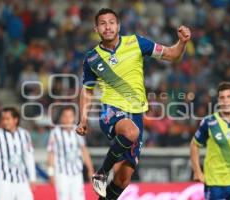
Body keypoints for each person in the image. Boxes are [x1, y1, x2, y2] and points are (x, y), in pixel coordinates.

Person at [76, 8, 191, 199]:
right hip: (110, 110)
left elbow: (172, 54)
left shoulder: (136, 43)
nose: (108, 27)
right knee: (130, 132)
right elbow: (87, 90)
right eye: (102, 23)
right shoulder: (92, 58)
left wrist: (182, 42)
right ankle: (101, 173)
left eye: (111, 22)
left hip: (136, 114)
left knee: (123, 178)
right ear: (96, 29)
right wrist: (83, 119)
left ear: (118, 25)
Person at [0, 107, 36, 200]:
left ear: (15, 120)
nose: (5, 122)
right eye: (3, 119)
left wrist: (32, 178)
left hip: (21, 180)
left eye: (8, 119)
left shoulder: (24, 134)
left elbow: (29, 157)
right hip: (3, 180)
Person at [47, 107, 94, 200]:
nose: (68, 119)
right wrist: (51, 173)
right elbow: (51, 155)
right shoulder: (55, 133)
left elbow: (84, 151)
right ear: (61, 118)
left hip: (77, 173)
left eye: (70, 116)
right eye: (65, 116)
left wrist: (90, 170)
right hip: (61, 173)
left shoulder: (78, 131)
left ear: (74, 118)